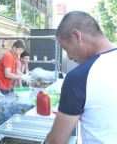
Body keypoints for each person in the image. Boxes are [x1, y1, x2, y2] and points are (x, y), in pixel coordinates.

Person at [44, 11, 117, 144]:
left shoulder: (79, 77)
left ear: (77, 36)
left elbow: (56, 140)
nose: (70, 57)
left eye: (65, 48)